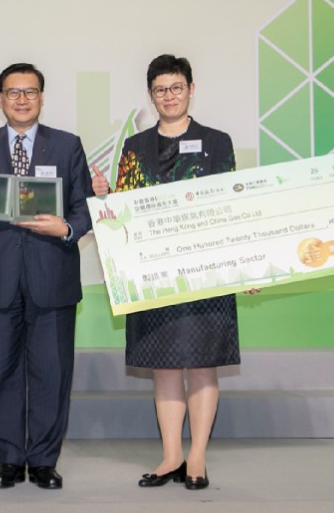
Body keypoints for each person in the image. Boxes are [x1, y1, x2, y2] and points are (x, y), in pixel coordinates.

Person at [90, 54, 241, 490]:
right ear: (150, 95)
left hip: (205, 271)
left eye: (176, 87)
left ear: (191, 89)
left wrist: (242, 265)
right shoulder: (135, 147)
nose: (169, 96)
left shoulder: (216, 142)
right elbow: (124, 211)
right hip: (152, 275)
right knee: (164, 366)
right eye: (160, 90)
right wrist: (105, 196)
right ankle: (171, 455)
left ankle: (197, 457)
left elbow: (231, 205)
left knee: (202, 363)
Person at [0, 62, 92, 490]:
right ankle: (8, 459)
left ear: (41, 98)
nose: (22, 99)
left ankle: (44, 460)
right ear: (1, 99)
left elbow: (84, 207)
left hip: (53, 275)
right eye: (13, 92)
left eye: (30, 92)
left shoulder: (66, 145)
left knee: (52, 373)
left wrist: (66, 228)